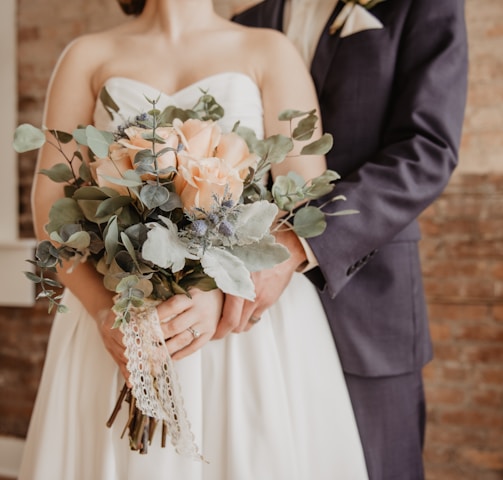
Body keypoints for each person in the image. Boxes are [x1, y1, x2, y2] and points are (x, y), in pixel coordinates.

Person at [18, 0, 370, 478]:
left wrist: (215, 290)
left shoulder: (269, 50)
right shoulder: (87, 55)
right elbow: (50, 208)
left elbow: (304, 202)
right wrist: (107, 311)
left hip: (241, 327)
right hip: (124, 311)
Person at [222, 1, 468, 479]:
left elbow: (427, 149)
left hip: (368, 306)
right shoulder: (247, 21)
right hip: (252, 324)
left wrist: (298, 243)